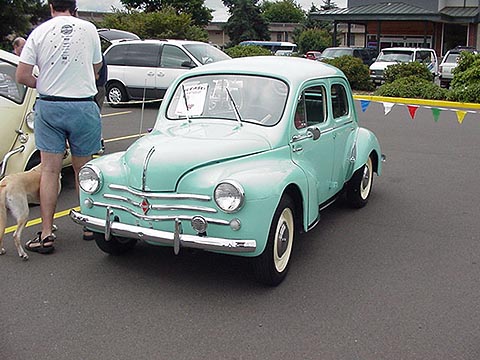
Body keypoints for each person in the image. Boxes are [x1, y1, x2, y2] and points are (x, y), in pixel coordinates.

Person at [16, 0, 102, 254]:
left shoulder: (39, 32)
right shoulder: (89, 30)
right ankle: (88, 225)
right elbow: (96, 70)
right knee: (83, 169)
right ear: (74, 8)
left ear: (51, 6)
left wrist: (43, 82)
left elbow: (21, 75)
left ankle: (46, 233)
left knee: (50, 171)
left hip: (50, 105)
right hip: (83, 105)